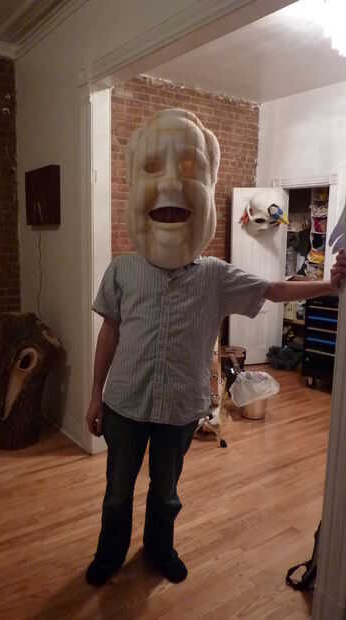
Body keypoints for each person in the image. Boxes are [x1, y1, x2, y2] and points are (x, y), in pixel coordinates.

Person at [84, 108, 346, 587]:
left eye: (187, 171)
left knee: (166, 493)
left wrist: (328, 285)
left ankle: (160, 549)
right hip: (125, 403)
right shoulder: (122, 270)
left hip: (180, 407)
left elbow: (273, 290)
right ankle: (109, 554)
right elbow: (109, 334)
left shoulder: (215, 276)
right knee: (117, 492)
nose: (169, 194)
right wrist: (93, 396)